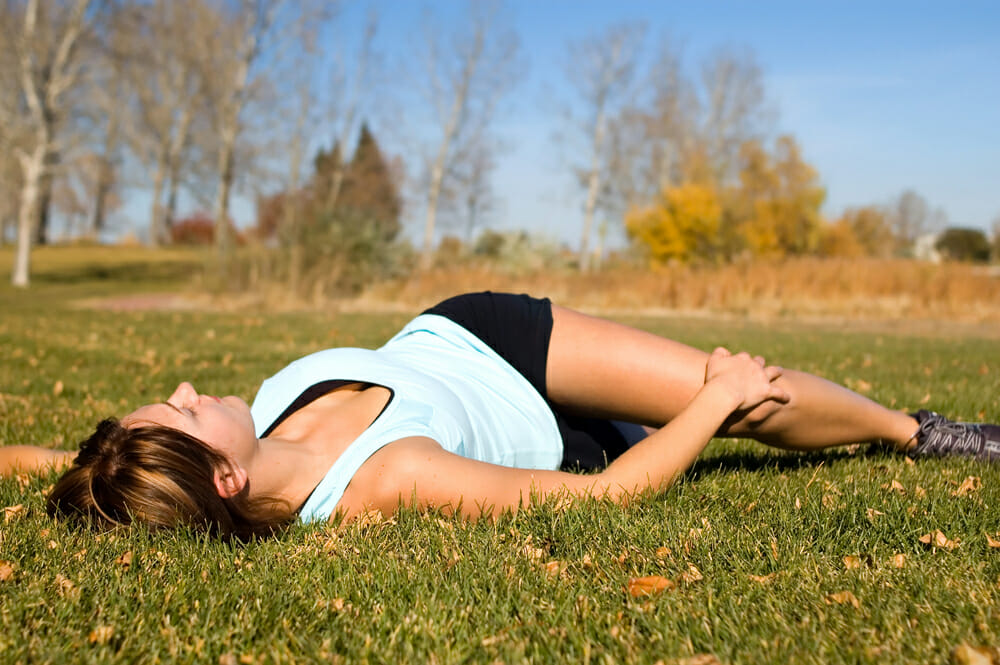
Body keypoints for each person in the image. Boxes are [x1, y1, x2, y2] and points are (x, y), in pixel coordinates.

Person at [3, 292, 997, 541]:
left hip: (477, 333)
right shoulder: (382, 481)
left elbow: (64, 460)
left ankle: (908, 426)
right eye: (182, 410)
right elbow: (603, 499)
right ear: (222, 480)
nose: (186, 390)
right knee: (752, 393)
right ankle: (916, 431)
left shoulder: (178, 457)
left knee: (738, 379)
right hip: (547, 422)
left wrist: (45, 463)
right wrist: (712, 400)